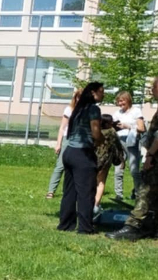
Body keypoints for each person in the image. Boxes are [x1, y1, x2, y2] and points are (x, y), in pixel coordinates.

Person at [109, 75, 158, 240]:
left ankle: (133, 226)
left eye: (154, 87)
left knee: (145, 190)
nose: (152, 91)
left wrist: (150, 155)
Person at [57, 82, 104, 234]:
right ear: (93, 93)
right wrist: (102, 139)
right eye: (101, 91)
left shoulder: (78, 108)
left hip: (69, 152)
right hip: (83, 154)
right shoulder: (93, 109)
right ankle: (85, 228)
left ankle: (65, 224)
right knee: (86, 192)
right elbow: (95, 133)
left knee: (70, 191)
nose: (103, 94)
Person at [112, 90, 146, 201]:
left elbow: (142, 128)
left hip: (132, 143)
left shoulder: (136, 111)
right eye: (118, 102)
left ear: (128, 100)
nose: (120, 104)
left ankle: (138, 193)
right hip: (119, 143)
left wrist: (128, 126)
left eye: (122, 101)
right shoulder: (117, 113)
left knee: (134, 170)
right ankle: (118, 195)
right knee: (118, 170)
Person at [94, 114, 124, 217]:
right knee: (101, 182)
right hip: (105, 160)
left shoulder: (96, 130)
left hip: (93, 158)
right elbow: (118, 146)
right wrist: (122, 160)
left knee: (92, 182)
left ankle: (88, 202)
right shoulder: (111, 131)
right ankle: (96, 205)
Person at [45, 104, 73, 199]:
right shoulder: (69, 109)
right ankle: (51, 191)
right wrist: (58, 144)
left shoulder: (87, 109)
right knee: (60, 166)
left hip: (80, 140)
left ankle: (68, 190)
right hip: (67, 138)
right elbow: (62, 128)